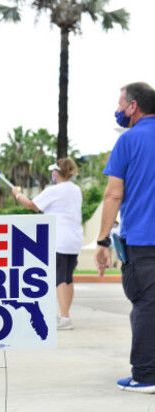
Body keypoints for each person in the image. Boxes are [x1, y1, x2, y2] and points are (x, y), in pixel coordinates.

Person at [94, 81, 155, 394]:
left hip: (144, 242)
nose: (118, 109)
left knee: (145, 305)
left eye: (120, 103)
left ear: (133, 106)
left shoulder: (128, 140)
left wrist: (103, 241)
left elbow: (113, 194)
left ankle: (145, 376)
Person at [12, 158, 83, 331]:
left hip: (60, 239)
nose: (52, 174)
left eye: (54, 171)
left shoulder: (54, 190)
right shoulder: (75, 190)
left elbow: (31, 205)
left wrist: (17, 193)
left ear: (57, 173)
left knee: (59, 278)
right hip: (74, 239)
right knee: (68, 277)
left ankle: (65, 318)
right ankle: (65, 315)